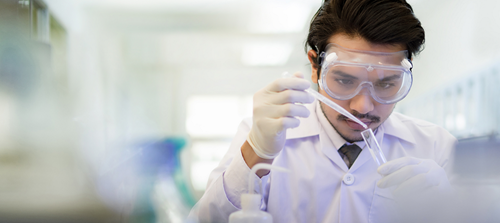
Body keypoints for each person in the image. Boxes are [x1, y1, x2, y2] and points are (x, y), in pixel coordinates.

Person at [189, 0, 456, 222]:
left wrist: (450, 210)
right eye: (344, 81)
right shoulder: (259, 135)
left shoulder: (436, 147)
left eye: (386, 84)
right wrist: (257, 152)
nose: (362, 106)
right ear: (315, 67)